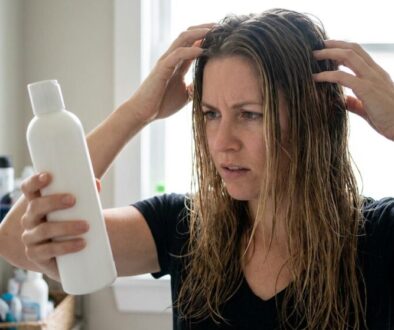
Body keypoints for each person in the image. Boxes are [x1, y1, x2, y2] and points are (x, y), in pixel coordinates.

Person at [1, 8, 394, 329]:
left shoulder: (379, 238)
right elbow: (13, 243)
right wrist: (139, 111)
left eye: (250, 115)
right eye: (210, 113)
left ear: (314, 112)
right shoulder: (185, 228)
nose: (223, 141)